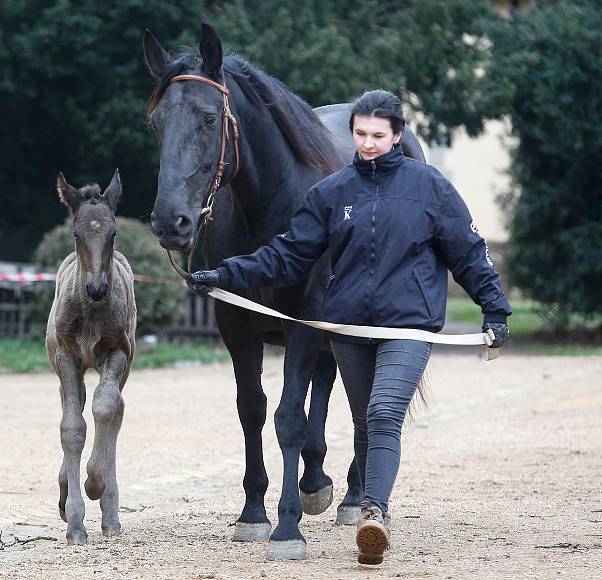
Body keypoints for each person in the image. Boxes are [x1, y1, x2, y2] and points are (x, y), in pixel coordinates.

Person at [188, 89, 512, 565]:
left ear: (397, 136)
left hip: (408, 326)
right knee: (364, 418)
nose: (367, 144)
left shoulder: (430, 187)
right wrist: (226, 273)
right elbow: (288, 255)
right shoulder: (331, 192)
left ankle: (373, 516)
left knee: (383, 413)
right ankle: (369, 501)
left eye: (378, 135)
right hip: (348, 327)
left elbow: (467, 250)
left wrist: (495, 308)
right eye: (360, 134)